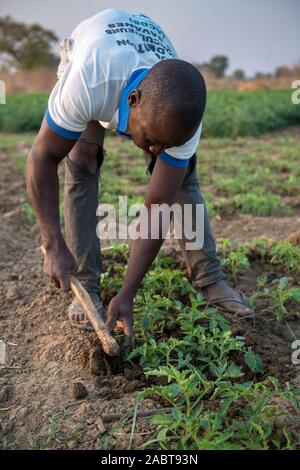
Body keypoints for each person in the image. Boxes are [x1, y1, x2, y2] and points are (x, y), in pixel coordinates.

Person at [26, 9, 253, 341]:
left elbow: (158, 207)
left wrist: (128, 293)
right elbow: (42, 157)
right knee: (82, 161)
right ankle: (87, 282)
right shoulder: (89, 80)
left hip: (151, 70)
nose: (157, 151)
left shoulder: (183, 115)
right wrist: (52, 242)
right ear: (132, 101)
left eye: (167, 144)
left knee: (182, 176)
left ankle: (210, 276)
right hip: (92, 52)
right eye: (154, 142)